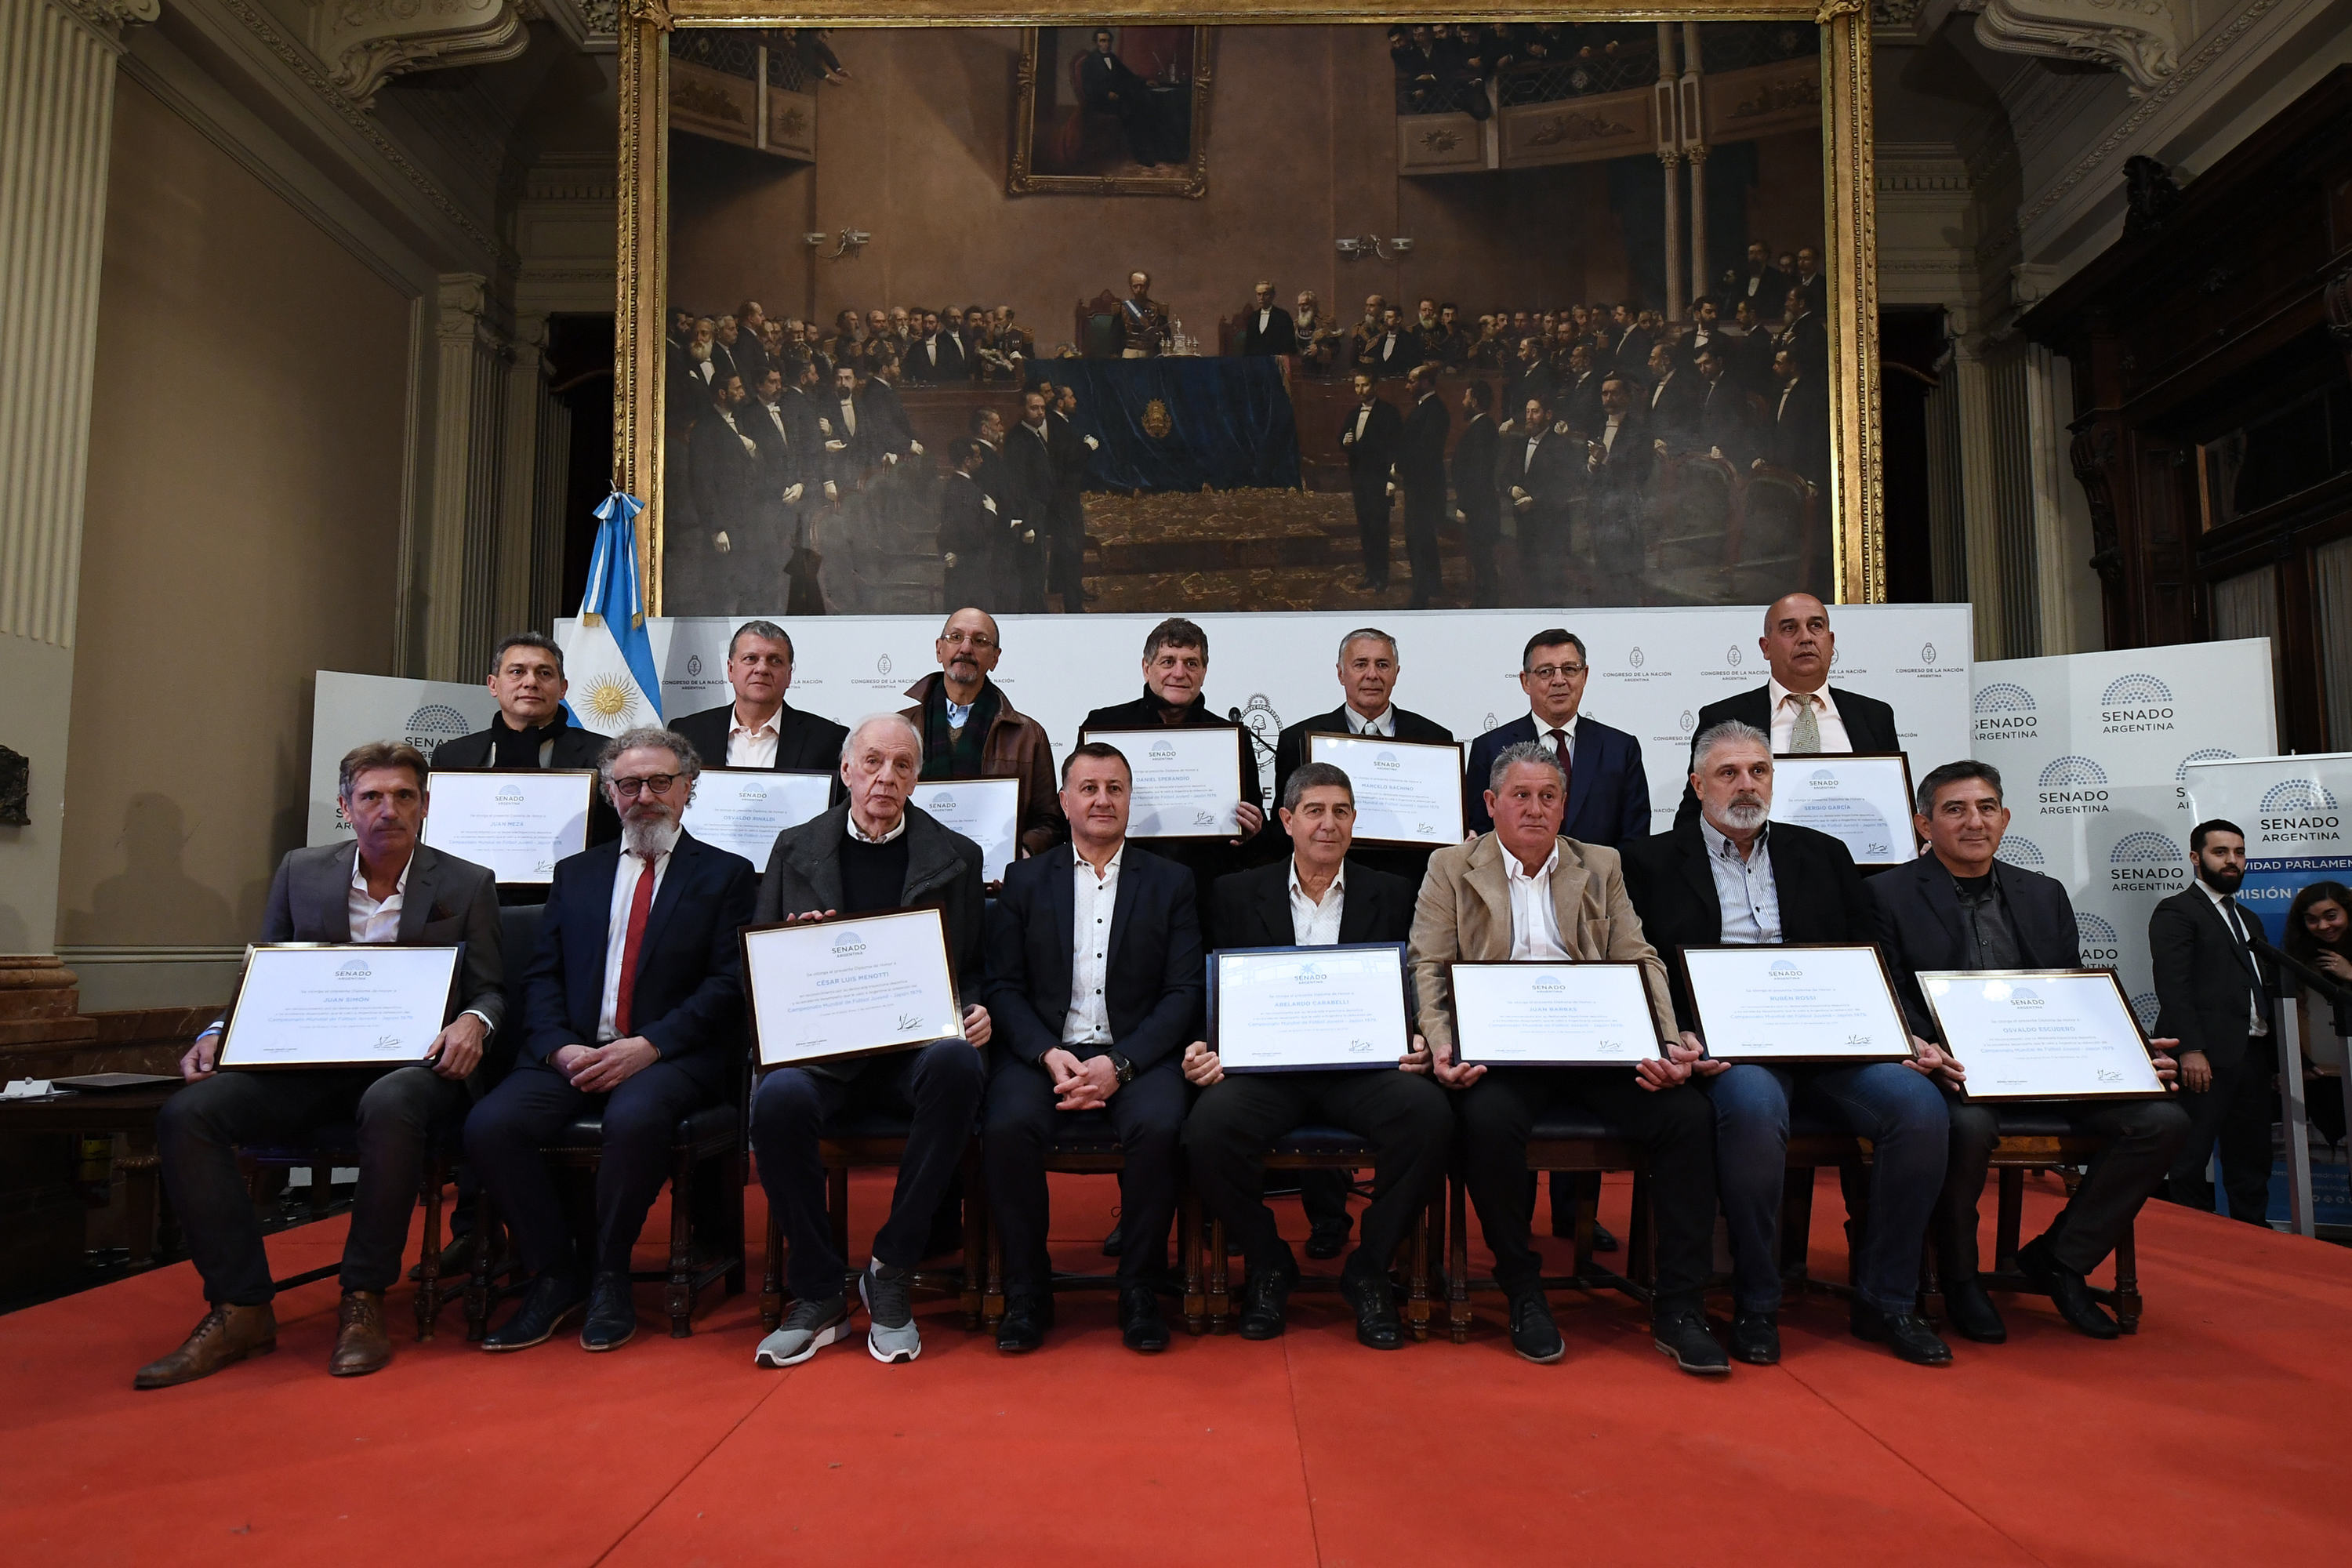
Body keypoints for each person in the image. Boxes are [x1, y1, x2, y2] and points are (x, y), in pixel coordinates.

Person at [136, 744, 502, 1388]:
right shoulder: (301, 872)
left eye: (404, 796)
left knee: (390, 1104)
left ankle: (362, 1298)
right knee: (190, 1113)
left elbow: (490, 987)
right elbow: (265, 972)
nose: (388, 810)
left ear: (425, 805)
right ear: (345, 808)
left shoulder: (466, 882)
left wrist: (475, 1021)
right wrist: (220, 1031)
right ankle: (240, 1306)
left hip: (413, 1073)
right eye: (371, 797)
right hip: (307, 1067)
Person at [1621, 721, 1954, 1367]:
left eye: (1759, 771)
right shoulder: (1648, 862)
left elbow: (1870, 955)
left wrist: (1903, 1032)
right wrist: (1674, 1035)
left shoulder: (1823, 854)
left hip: (1831, 1041)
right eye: (1728, 773)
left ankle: (1887, 1300)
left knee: (1919, 1109)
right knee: (1751, 1110)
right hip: (1730, 1047)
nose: (1746, 784)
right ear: (1697, 785)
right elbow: (1640, 965)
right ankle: (1756, 1300)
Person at [1410, 741, 1729, 1375]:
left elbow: (1640, 956)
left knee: (1686, 1116)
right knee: (1485, 1123)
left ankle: (1680, 1304)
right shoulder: (1451, 866)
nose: (1535, 809)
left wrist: (1666, 1041)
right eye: (1521, 797)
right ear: (1492, 804)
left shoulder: (1600, 864)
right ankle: (1524, 1289)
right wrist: (1443, 1043)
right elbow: (1430, 964)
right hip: (1504, 1051)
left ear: (1564, 806)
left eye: (1548, 797)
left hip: (1595, 1045)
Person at [1870, 760, 2188, 1341]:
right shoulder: (1886, 895)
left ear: (2006, 817)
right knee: (1963, 1128)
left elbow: (2073, 992)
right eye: (1956, 809)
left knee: (2161, 1120)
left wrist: (2130, 1050)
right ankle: (1961, 1279)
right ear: (1924, 824)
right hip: (1957, 1071)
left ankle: (2060, 1261)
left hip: (2050, 1064)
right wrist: (1928, 1050)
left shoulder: (2042, 893)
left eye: (1987, 808)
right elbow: (1889, 993)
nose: (1974, 822)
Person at [466, 728, 758, 1353]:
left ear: (688, 789)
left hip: (670, 1057)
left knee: (635, 1117)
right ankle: (555, 1272)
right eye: (629, 784)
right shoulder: (577, 874)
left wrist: (648, 1046)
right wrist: (556, 1048)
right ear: (609, 793)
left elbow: (728, 985)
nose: (644, 795)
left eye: (660, 782)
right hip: (573, 1052)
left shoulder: (728, 876)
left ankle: (609, 1274)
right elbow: (541, 974)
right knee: (491, 1124)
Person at [747, 714, 993, 1367]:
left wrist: (975, 1007)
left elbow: (973, 962)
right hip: (825, 1051)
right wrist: (801, 947)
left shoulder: (957, 856)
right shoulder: (794, 847)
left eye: (903, 766)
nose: (887, 778)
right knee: (775, 1101)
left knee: (958, 1063)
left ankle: (890, 1266)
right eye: (874, 763)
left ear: (918, 778)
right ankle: (820, 1287)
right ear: (847, 771)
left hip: (911, 1049)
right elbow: (762, 959)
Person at [1184, 764, 1450, 1349]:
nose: (1328, 824)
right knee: (1206, 1128)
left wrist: (1418, 1038)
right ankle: (1268, 1260)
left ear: (1355, 822)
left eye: (1340, 812)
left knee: (1428, 1115)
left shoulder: (1392, 893)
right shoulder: (1234, 893)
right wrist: (1205, 1044)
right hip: (1267, 1071)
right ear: (1286, 821)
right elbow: (1211, 987)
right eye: (1314, 811)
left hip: (1361, 1068)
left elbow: (1412, 981)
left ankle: (1371, 1266)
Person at [983, 742, 1205, 1353]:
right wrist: (1044, 1054)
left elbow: (1183, 991)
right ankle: (1028, 1291)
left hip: (1136, 1054)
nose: (1102, 799)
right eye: (1089, 788)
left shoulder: (1171, 882)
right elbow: (1003, 985)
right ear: (1064, 800)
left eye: (1115, 788)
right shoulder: (1026, 880)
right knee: (1005, 1126)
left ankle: (1139, 1288)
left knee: (1161, 1126)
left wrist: (1121, 1063)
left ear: (1131, 799)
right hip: (1045, 1052)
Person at [1080, 617, 1266, 938]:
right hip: (1119, 888)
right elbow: (1079, 805)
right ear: (1146, 667)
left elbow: (1249, 830)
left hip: (1203, 894)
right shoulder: (1105, 726)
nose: (1180, 673)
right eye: (1168, 661)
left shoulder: (1231, 738)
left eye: (1191, 663)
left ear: (1204, 672)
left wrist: (1251, 829)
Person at [1676, 593, 1900, 827]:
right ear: (1766, 647)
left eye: (1816, 626)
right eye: (1790, 628)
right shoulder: (1723, 717)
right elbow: (1695, 811)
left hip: (1856, 859)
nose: (1806, 638)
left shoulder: (1875, 716)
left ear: (1831, 642)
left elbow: (1893, 802)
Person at [2153, 820, 2280, 1224]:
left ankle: (2253, 1241)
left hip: (2253, 1056)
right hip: (2204, 1058)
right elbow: (2174, 987)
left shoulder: (2249, 919)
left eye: (2239, 853)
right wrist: (2191, 1049)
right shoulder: (2176, 911)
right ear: (2196, 858)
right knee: (2190, 1158)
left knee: (2251, 1158)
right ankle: (2191, 1247)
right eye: (2220, 852)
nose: (2232, 861)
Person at [1269, 627, 1456, 887]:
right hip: (1328, 885)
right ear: (1340, 673)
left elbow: (1444, 822)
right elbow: (1282, 829)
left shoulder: (1435, 738)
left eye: (1382, 665)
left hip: (1413, 885)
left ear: (1396, 673)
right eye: (1360, 664)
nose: (1372, 675)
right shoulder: (1298, 739)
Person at [898, 608, 1065, 862]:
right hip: (914, 876)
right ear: (939, 649)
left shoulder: (1029, 736)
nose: (966, 648)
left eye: (980, 641)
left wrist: (1022, 853)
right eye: (955, 637)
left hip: (995, 888)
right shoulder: (899, 728)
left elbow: (1049, 821)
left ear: (995, 658)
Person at [433, 631, 618, 858]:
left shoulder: (605, 754)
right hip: (473, 890)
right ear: (493, 685)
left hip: (568, 889)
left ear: (562, 688)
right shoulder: (452, 756)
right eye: (517, 672)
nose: (530, 682)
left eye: (544, 673)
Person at [1466, 630, 1649, 848]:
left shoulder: (1620, 750)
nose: (1559, 681)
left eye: (1570, 670)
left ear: (1585, 676)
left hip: (1599, 880)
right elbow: (1480, 833)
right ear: (1526, 681)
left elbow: (1635, 841)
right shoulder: (1490, 748)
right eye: (1546, 672)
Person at [669, 621, 851, 789]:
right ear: (731, 670)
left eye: (775, 660)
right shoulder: (687, 734)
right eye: (750, 659)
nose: (762, 669)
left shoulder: (829, 740)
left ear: (789, 675)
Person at [1494, 394, 1577, 607]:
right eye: (1528, 412)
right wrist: (1511, 489)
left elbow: (1564, 486)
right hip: (1525, 527)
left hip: (1551, 528)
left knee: (1550, 587)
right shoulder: (1521, 444)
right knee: (1528, 582)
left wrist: (1535, 501)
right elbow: (1503, 477)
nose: (1529, 417)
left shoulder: (1561, 446)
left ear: (1548, 415)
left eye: (1535, 412)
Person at [1339, 372, 1403, 593]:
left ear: (1375, 385)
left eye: (1364, 385)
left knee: (1379, 530)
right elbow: (1343, 439)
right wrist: (1344, 441)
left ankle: (1381, 577)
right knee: (1365, 529)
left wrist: (1391, 480)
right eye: (1356, 386)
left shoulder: (1389, 413)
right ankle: (1370, 573)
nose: (1360, 390)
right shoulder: (1354, 413)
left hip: (1379, 481)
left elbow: (1395, 448)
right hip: (1359, 481)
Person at [1395, 364, 1450, 609]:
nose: (1407, 386)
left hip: (1424, 486)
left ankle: (1421, 593)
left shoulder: (1434, 410)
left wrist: (1399, 468)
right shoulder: (1426, 408)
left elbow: (1424, 451)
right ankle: (1433, 584)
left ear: (1425, 382)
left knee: (1418, 538)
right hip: (1420, 484)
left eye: (1411, 381)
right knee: (1423, 538)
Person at [1081, 33, 1172, 169]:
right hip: (1101, 103)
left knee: (1143, 106)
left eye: (1108, 41)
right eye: (1103, 41)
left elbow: (1128, 76)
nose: (1106, 44)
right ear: (1097, 43)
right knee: (1133, 113)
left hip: (1118, 100)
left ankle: (1158, 152)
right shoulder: (1090, 62)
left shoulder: (1113, 58)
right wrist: (1106, 93)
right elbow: (1088, 87)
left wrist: (1145, 82)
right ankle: (1142, 156)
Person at [1002, 388, 1056, 612]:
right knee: (1032, 571)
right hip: (1030, 514)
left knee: (1038, 568)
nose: (1040, 413)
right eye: (1034, 408)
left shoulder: (1033, 434)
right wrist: (1028, 523)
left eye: (1043, 408)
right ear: (1022, 409)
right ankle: (1034, 614)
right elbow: (1019, 485)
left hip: (1039, 511)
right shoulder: (1017, 439)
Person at [1045, 380, 1095, 612]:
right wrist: (1088, 447)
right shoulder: (1056, 425)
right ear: (1061, 402)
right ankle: (1073, 599)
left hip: (1066, 492)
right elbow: (1068, 459)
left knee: (1066, 543)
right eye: (1071, 397)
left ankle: (1061, 585)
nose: (1075, 401)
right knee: (1073, 545)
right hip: (1063, 495)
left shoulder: (1059, 422)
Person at [1452, 379, 1503, 608]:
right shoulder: (1481, 427)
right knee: (1480, 559)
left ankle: (1486, 606)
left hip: (1480, 508)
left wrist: (1464, 505)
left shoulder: (1482, 429)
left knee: (1482, 561)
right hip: (1481, 506)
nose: (1463, 402)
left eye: (1466, 398)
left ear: (1474, 401)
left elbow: (1478, 474)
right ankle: (1483, 603)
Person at [938, 437, 996, 613]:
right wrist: (990, 512)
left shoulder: (952, 485)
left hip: (959, 566)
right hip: (970, 571)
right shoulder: (968, 491)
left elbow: (946, 530)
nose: (982, 460)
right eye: (978, 457)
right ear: (967, 461)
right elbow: (975, 535)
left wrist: (947, 552)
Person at [1117, 269, 1171, 357]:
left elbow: (1167, 333)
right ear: (1131, 287)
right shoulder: (1123, 308)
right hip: (1130, 352)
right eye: (1135, 286)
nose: (1139, 289)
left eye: (1142, 286)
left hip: (1150, 352)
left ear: (1147, 286)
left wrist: (1158, 336)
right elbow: (1116, 335)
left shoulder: (1157, 308)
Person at [1237, 281, 1297, 356]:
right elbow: (1248, 346)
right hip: (1255, 363)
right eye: (1259, 294)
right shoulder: (1253, 317)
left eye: (1265, 294)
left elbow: (1290, 346)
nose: (1261, 298)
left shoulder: (1283, 316)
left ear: (1272, 295)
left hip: (1276, 364)